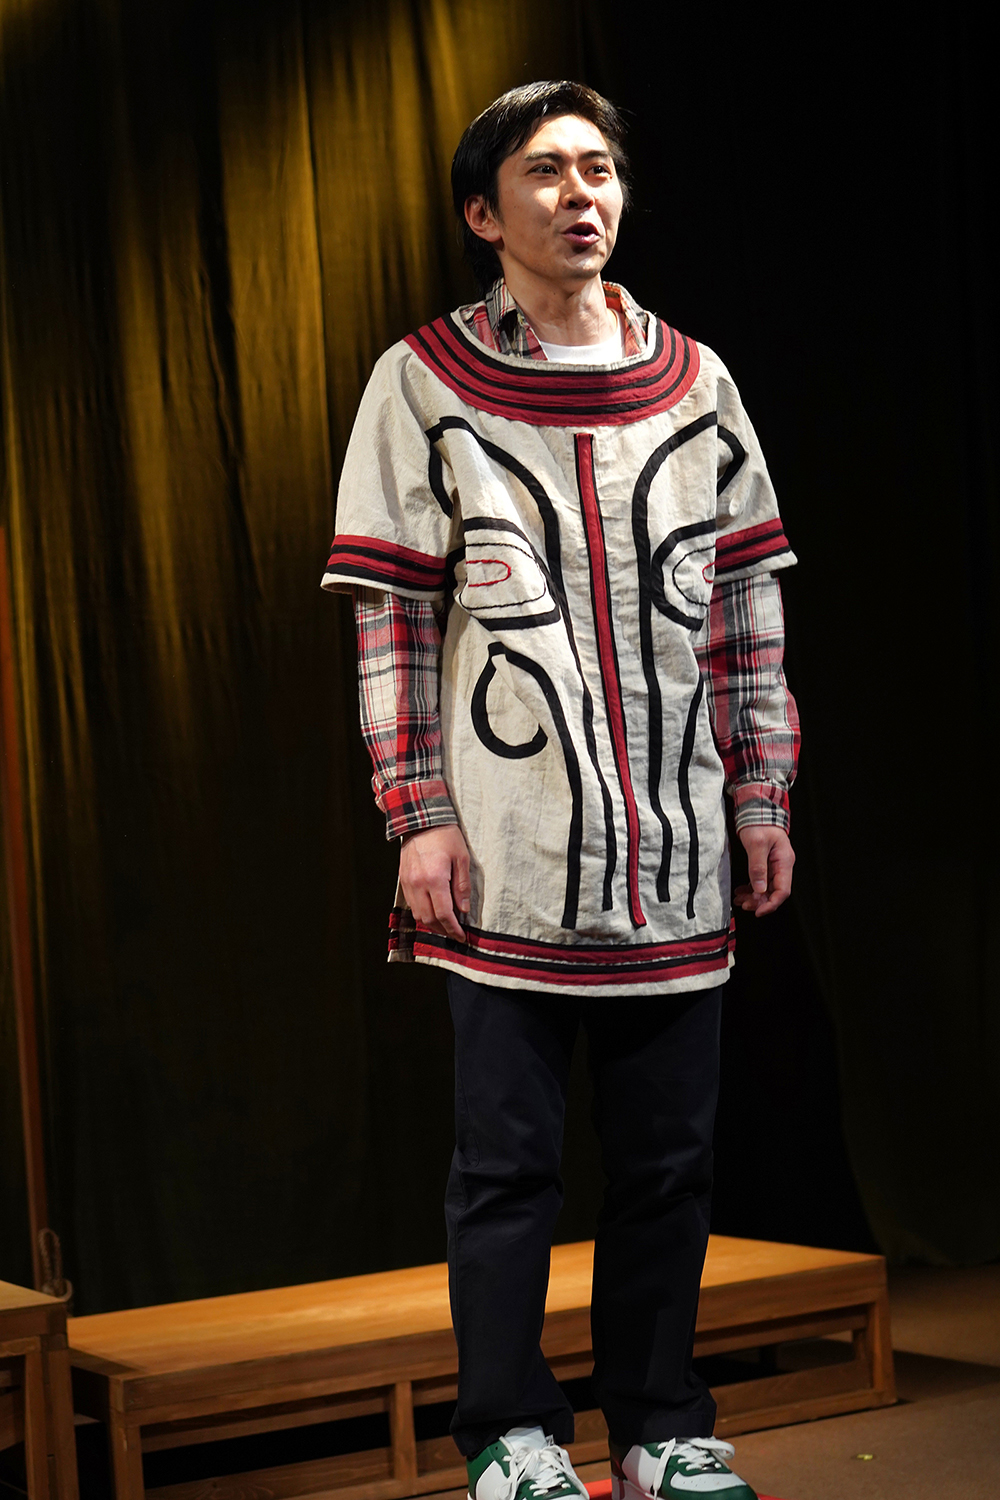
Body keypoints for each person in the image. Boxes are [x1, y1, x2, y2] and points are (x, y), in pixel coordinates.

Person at [323, 80, 799, 1500]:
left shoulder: (697, 379)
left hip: (676, 839)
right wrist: (418, 812)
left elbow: (748, 613)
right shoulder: (424, 381)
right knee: (507, 1171)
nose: (580, 194)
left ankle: (658, 1425)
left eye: (598, 169)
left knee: (669, 1166)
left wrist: (761, 795)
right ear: (485, 212)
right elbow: (394, 621)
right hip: (511, 841)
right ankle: (509, 1432)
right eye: (544, 172)